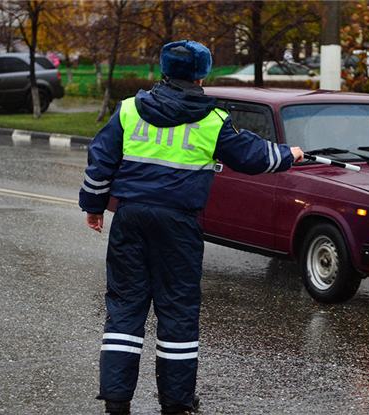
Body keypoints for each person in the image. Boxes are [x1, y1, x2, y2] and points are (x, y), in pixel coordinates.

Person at [79, 40, 304, 415]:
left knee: (124, 310)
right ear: (202, 74)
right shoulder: (211, 120)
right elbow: (251, 157)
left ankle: (116, 402)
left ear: (163, 71)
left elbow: (100, 158)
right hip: (178, 225)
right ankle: (176, 402)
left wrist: (93, 206)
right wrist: (288, 155)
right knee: (178, 311)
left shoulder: (129, 110)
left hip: (131, 219)